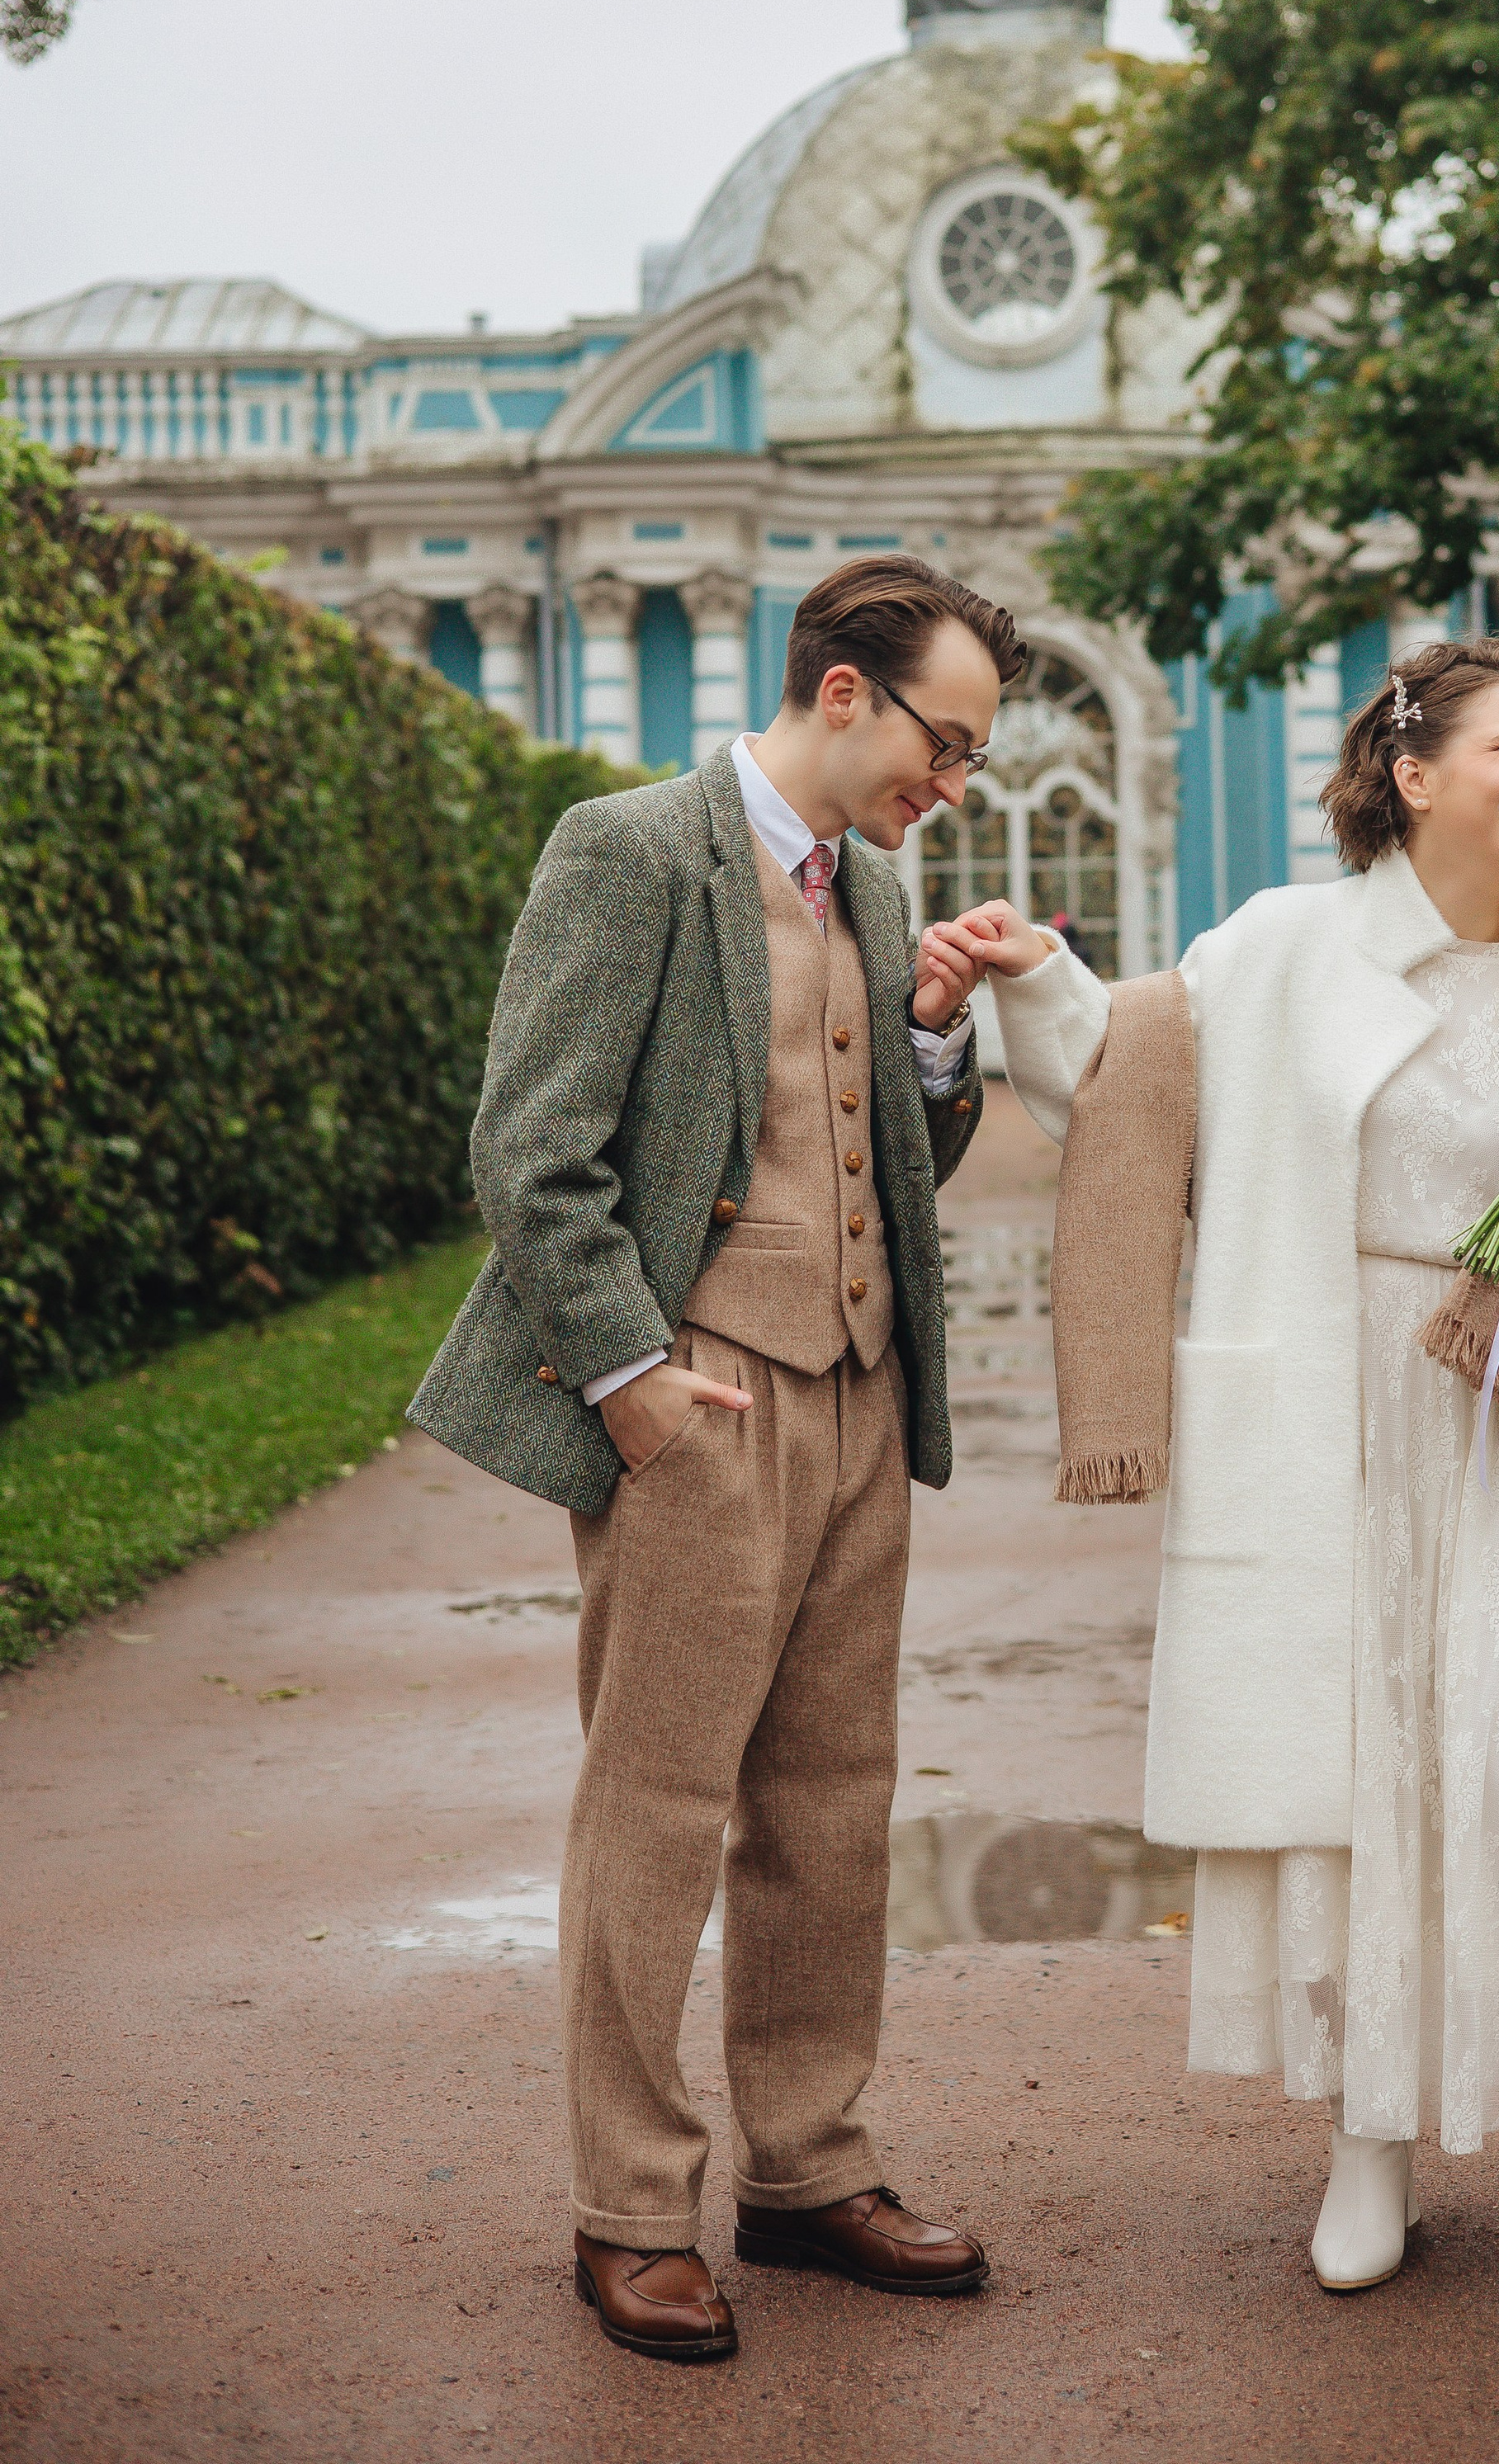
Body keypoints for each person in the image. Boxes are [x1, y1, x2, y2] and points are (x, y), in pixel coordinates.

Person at [920, 638, 1499, 2301]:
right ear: (1410, 771)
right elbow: (1123, 1073)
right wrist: (1026, 973)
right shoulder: (1283, 945)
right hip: (1327, 1407)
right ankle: (1369, 2147)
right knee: (1353, 1778)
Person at [409, 555, 1018, 2363]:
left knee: (831, 1808)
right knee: (659, 1805)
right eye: (946, 740)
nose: (954, 783)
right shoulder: (627, 849)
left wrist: (925, 1031)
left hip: (855, 1396)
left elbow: (897, 1158)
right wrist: (628, 1384)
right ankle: (628, 2208)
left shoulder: (878, 882)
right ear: (842, 689)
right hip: (693, 1405)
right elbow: (534, 1148)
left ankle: (807, 2170)